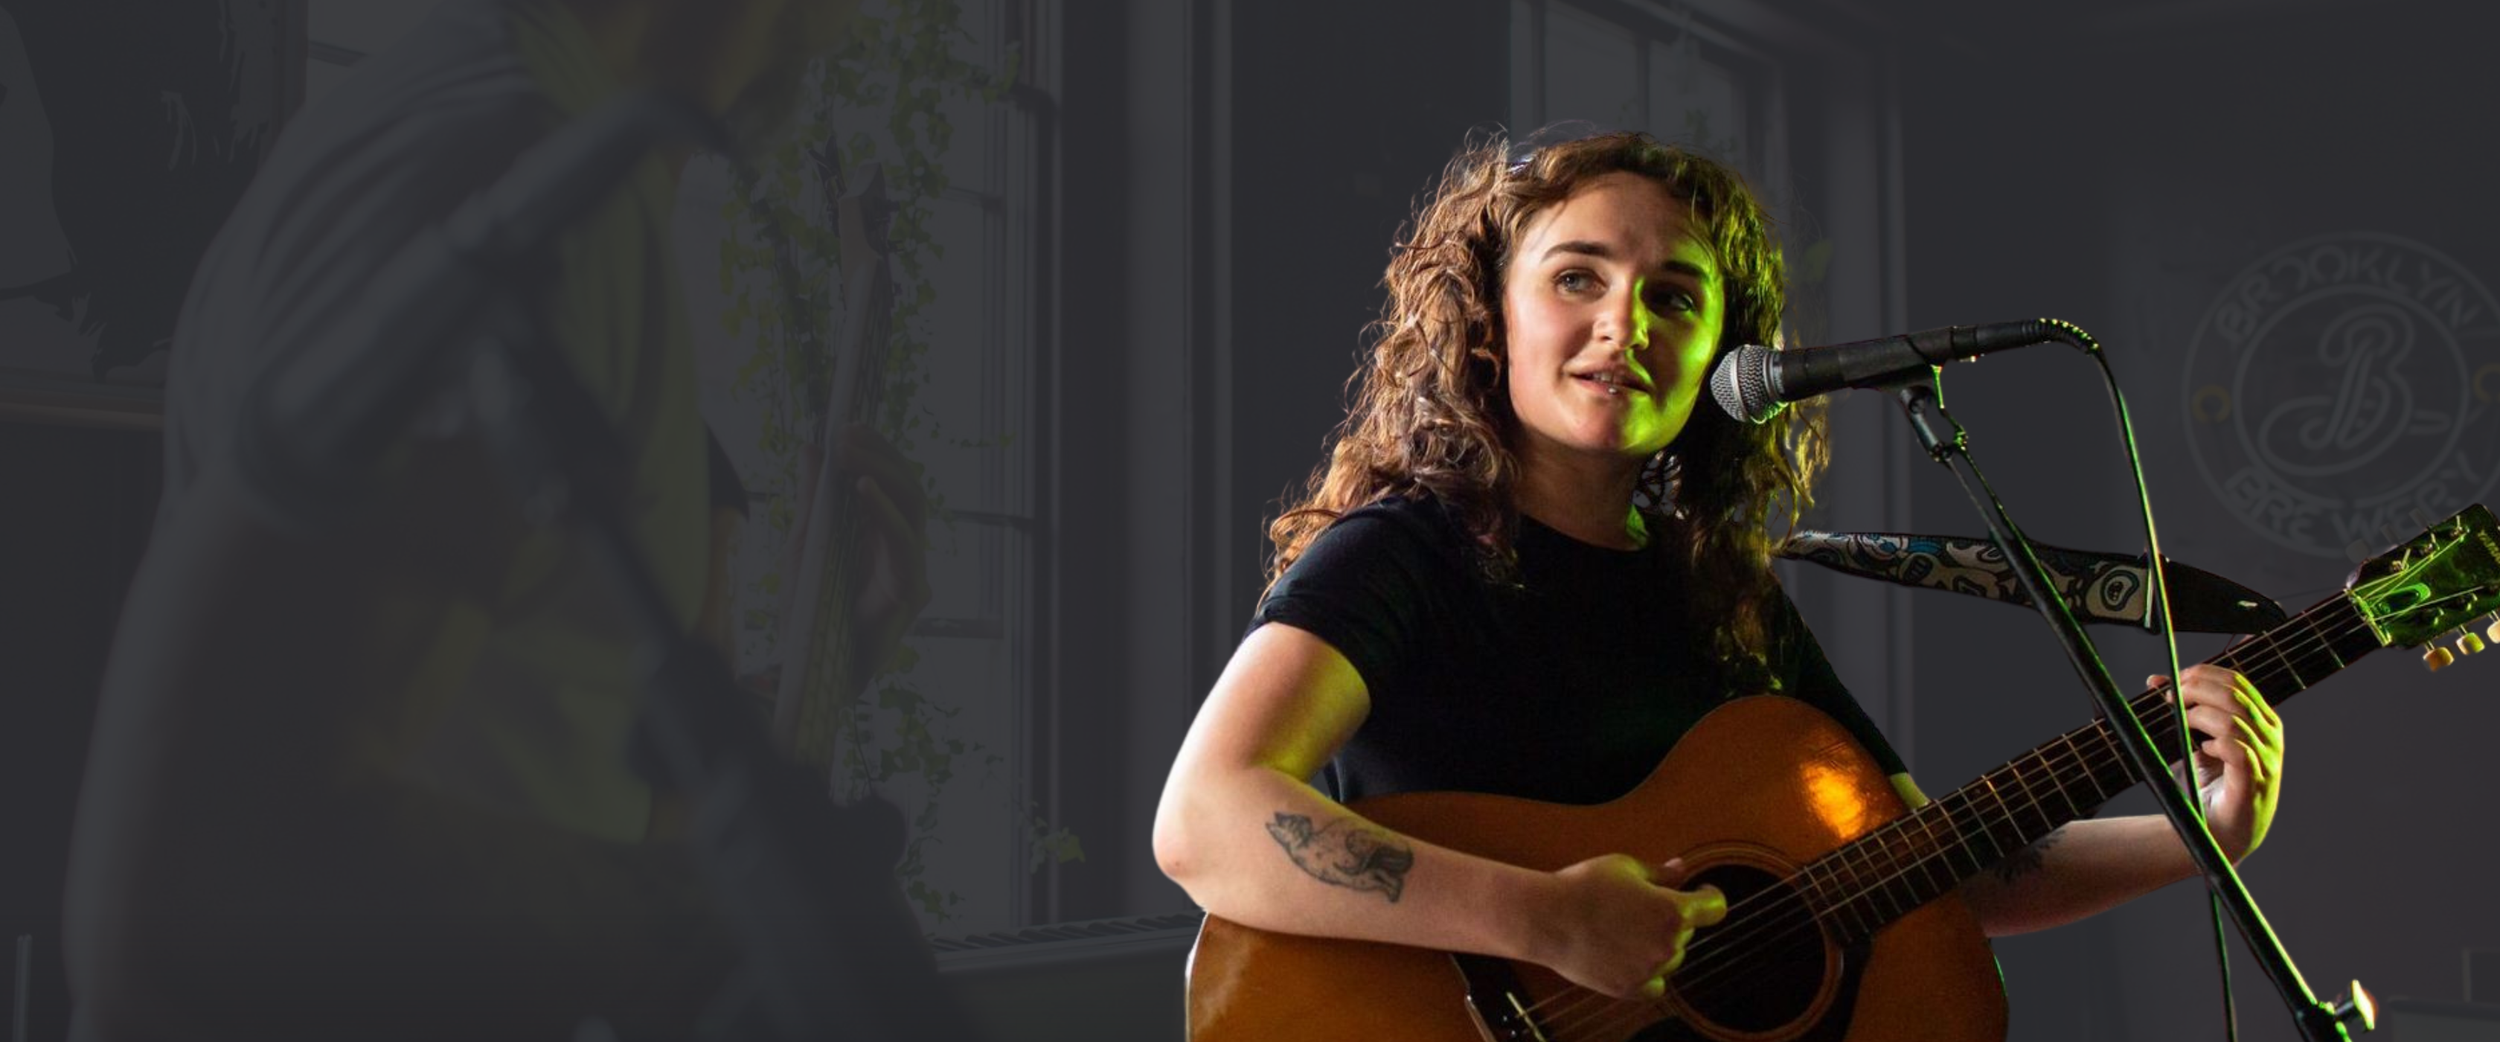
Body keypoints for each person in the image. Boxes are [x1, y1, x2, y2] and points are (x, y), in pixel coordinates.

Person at [1151, 130, 2286, 1010]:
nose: (1624, 324)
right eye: (1576, 278)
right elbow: (1206, 817)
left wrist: (2198, 834)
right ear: (1490, 317)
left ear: (1720, 354)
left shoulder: (1722, 595)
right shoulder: (1404, 552)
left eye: (1676, 297)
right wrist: (1547, 920)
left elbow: (1931, 874)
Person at [61, 1, 938, 1040]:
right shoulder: (515, 169)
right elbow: (205, 905)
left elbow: (597, 805)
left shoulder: (467, 131)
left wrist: (827, 661)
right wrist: (725, 933)